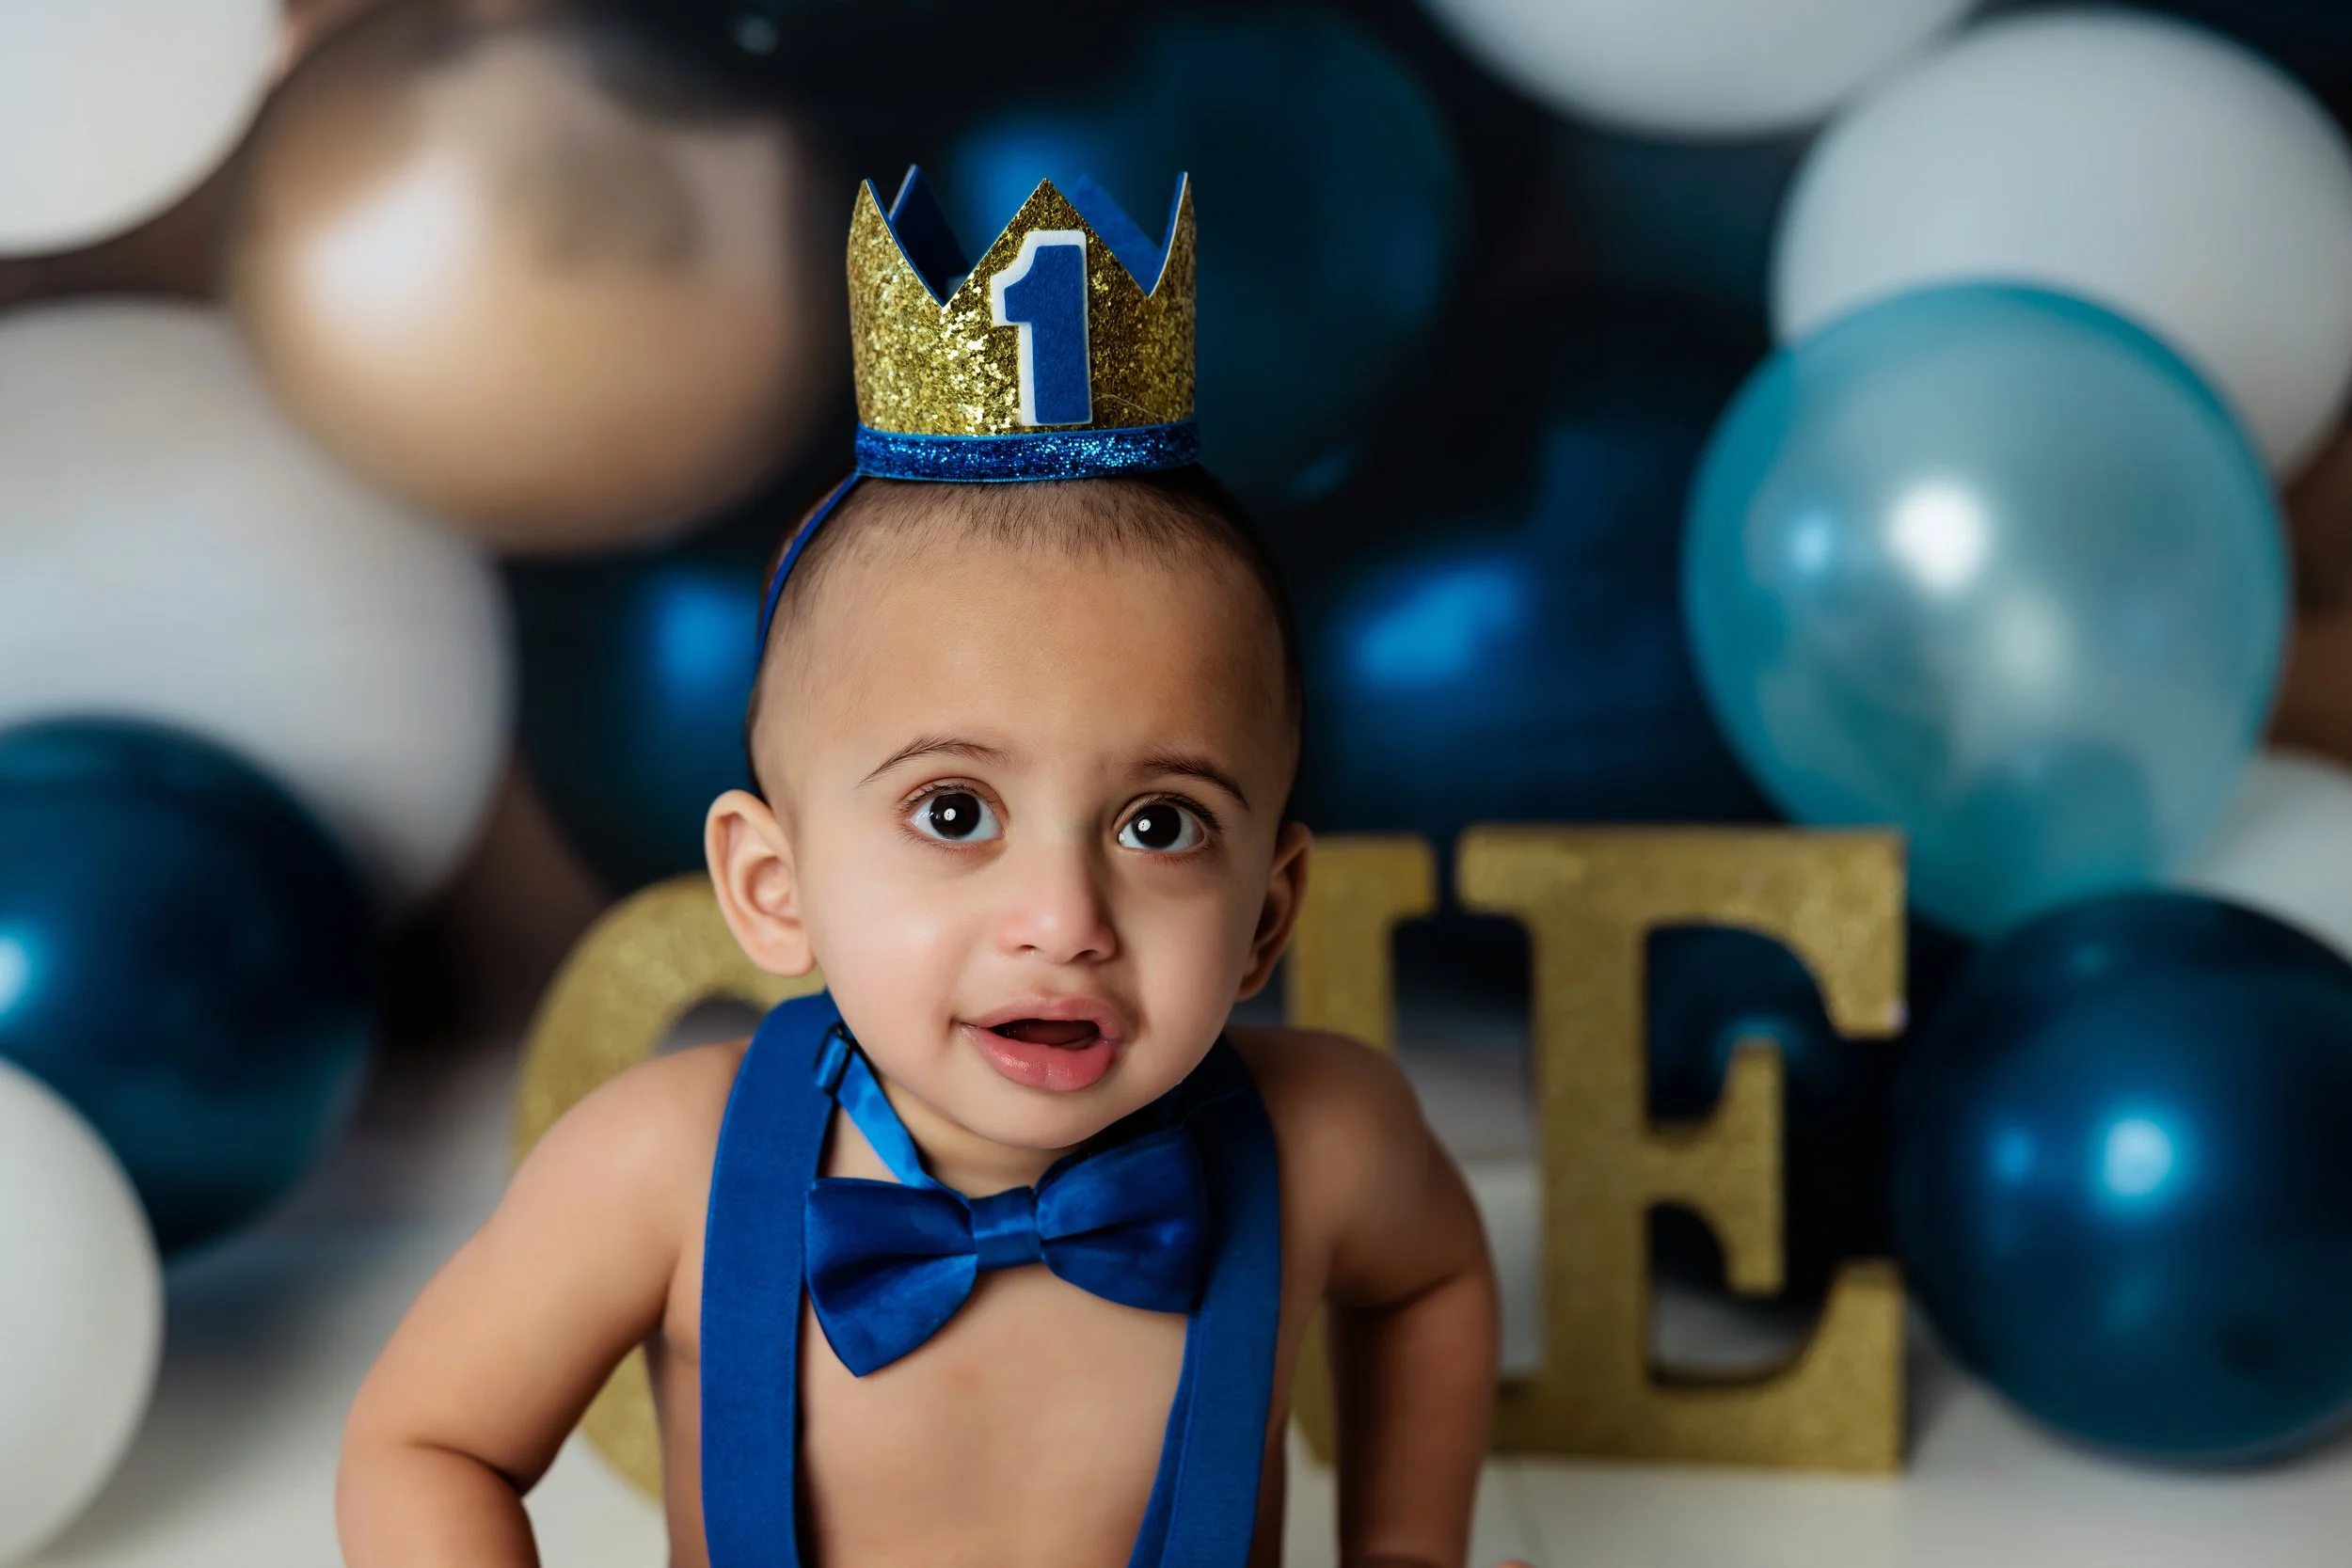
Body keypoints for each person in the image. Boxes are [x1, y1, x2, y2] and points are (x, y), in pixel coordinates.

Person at [338, 169, 1511, 1568]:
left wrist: (1405, 1543)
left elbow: (1432, 1277)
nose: (1062, 920)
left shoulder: (1329, 1139)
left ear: (1266, 915)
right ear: (773, 885)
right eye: (954, 812)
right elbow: (427, 1443)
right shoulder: (662, 1169)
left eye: (1159, 824)